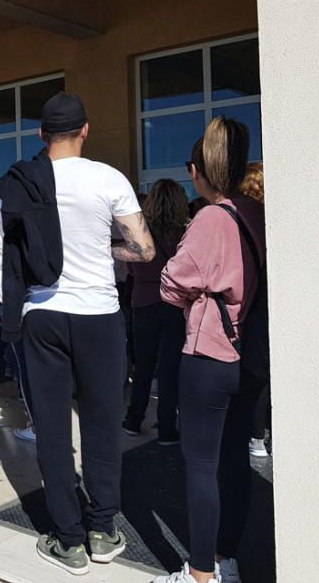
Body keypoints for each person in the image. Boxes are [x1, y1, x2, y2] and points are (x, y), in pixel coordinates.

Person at [19, 92, 154, 575]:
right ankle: (102, 528)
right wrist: (106, 249)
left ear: (41, 134)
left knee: (53, 427)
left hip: (43, 312)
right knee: (101, 421)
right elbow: (144, 250)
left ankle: (68, 540)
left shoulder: (24, 180)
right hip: (99, 312)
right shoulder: (107, 178)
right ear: (85, 130)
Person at [158, 120, 266, 583]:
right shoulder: (257, 212)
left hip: (209, 354)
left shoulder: (210, 218)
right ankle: (228, 559)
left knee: (201, 465)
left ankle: (201, 573)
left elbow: (171, 281)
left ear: (201, 171)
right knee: (235, 460)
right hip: (251, 355)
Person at [121, 179, 188, 445]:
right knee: (170, 367)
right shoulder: (184, 233)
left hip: (143, 301)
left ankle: (134, 419)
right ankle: (168, 429)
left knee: (143, 366)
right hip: (174, 303)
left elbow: (132, 270)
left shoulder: (140, 232)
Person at [0, 218, 37, 443]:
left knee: (23, 361)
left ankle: (36, 423)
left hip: (13, 299)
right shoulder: (50, 216)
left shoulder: (5, 223)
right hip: (47, 300)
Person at [239, 162, 271, 458]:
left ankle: (256, 436)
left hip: (253, 300)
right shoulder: (273, 216)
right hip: (272, 299)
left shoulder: (242, 216)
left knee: (256, 372)